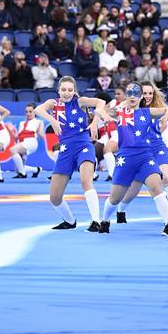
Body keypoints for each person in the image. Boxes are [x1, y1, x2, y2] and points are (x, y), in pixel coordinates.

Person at [35, 77, 114, 232]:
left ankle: (95, 221)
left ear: (74, 90)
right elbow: (39, 109)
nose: (67, 93)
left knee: (86, 181)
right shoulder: (54, 103)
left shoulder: (80, 101)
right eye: (63, 89)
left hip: (83, 144)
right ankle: (70, 221)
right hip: (65, 150)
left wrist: (93, 122)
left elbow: (100, 103)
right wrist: (52, 120)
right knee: (54, 197)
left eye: (70, 90)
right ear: (58, 90)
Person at [99, 82, 168, 235]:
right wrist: (104, 116)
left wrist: (167, 114)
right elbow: (99, 110)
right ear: (125, 96)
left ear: (141, 97)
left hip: (146, 157)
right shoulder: (118, 112)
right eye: (129, 93)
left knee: (156, 187)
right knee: (115, 198)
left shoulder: (148, 112)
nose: (132, 96)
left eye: (136, 93)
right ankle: (105, 221)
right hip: (125, 158)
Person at [5, 104, 44, 179]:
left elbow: (42, 137)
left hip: (31, 142)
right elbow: (17, 138)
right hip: (22, 143)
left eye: (30, 111)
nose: (28, 113)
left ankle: (23, 174)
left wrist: (37, 131)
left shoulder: (39, 122)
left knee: (12, 150)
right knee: (17, 169)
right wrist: (10, 130)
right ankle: (36, 170)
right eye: (26, 112)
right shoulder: (21, 123)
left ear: (35, 112)